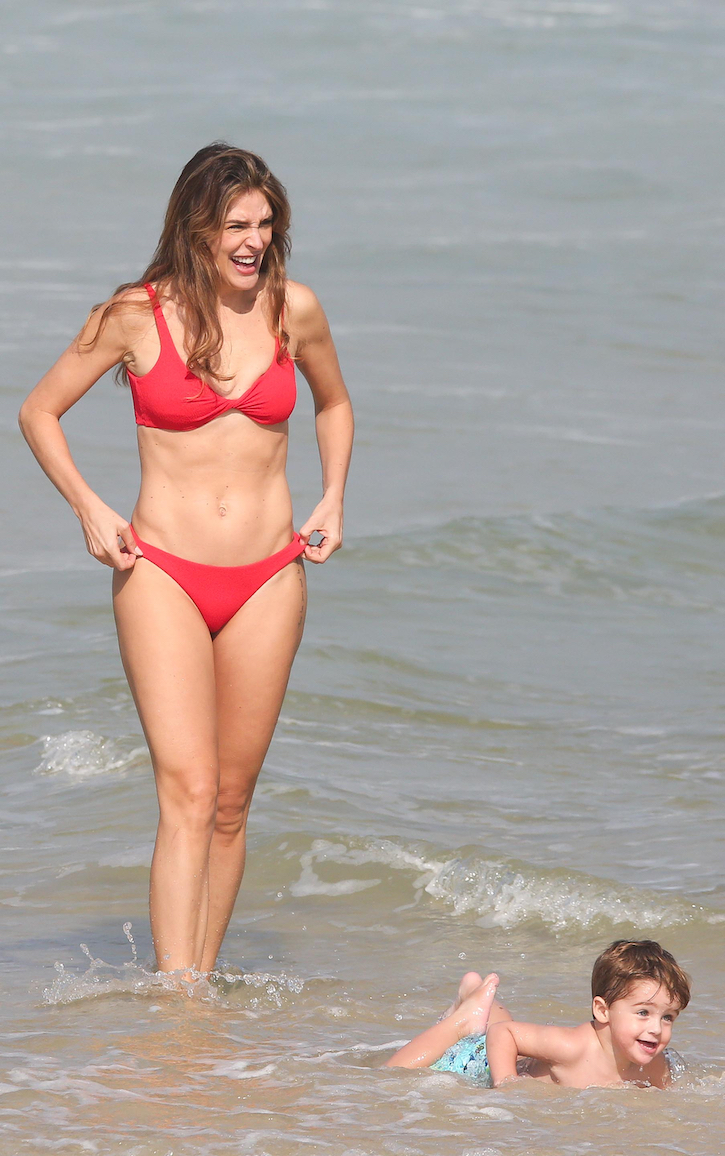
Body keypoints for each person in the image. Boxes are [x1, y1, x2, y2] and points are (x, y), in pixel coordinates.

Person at [19, 143, 354, 977]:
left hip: (269, 575)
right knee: (190, 790)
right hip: (161, 571)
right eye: (236, 225)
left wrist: (333, 496)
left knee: (231, 803)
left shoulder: (293, 309)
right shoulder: (136, 315)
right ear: (196, 227)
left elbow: (334, 403)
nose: (254, 241)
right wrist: (89, 507)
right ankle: (175, 1001)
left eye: (265, 224)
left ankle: (197, 991)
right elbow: (38, 411)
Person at [385, 939, 690, 1089]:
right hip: (481, 1059)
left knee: (501, 1025)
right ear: (602, 1010)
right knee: (392, 1073)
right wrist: (507, 1085)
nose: (656, 1028)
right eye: (643, 1012)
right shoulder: (573, 1047)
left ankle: (474, 996)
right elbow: (502, 1034)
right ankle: (463, 1018)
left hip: (517, 1054)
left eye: (668, 1017)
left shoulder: (654, 1066)